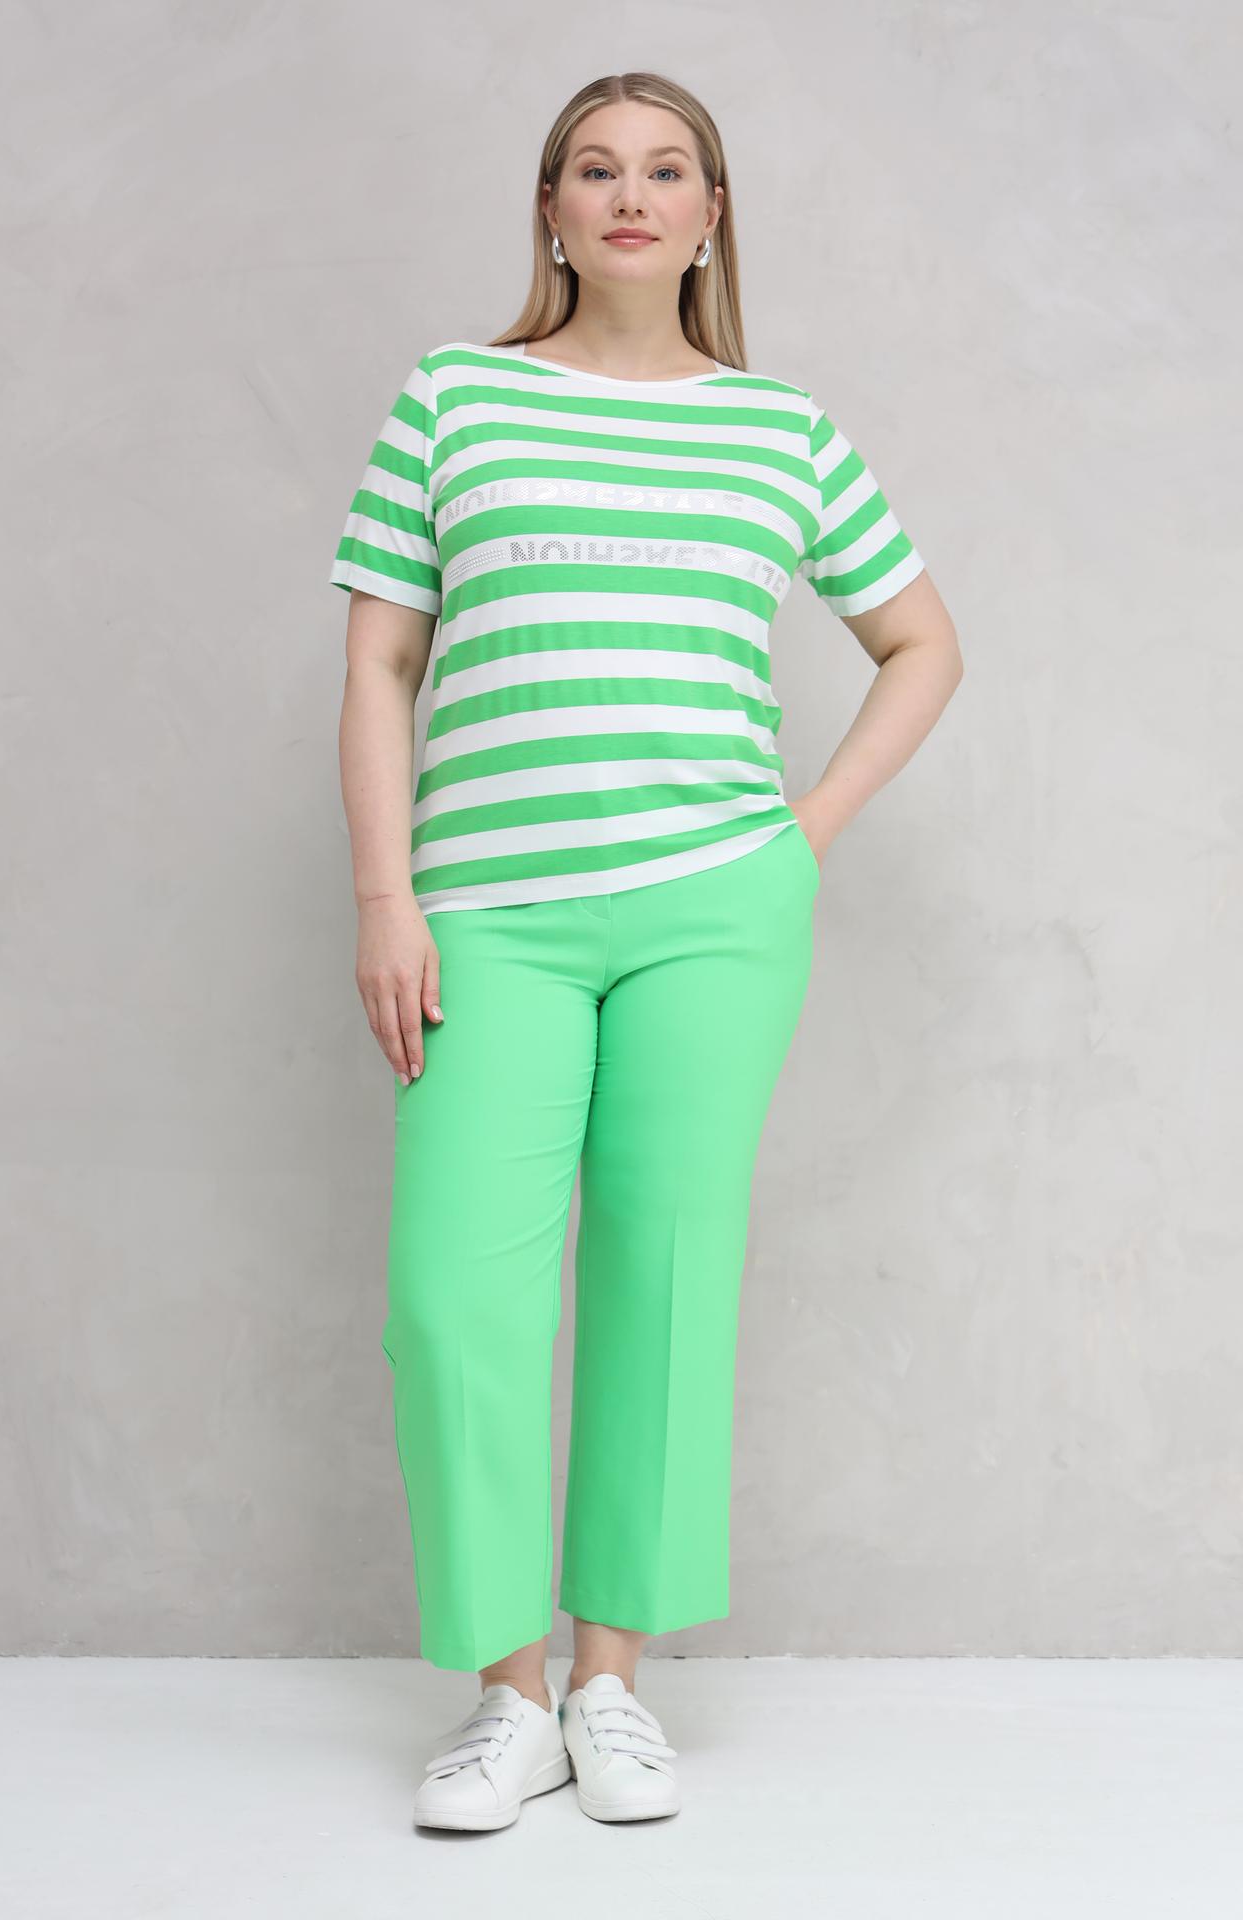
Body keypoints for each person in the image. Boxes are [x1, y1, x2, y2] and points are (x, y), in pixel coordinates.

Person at [329, 71, 963, 1832]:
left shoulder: (780, 429)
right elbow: (381, 662)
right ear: (551, 207)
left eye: (666, 170)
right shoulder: (456, 398)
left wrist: (799, 835)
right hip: (488, 914)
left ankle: (609, 1683)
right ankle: (505, 1697)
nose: (631, 194)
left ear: (708, 216)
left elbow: (922, 643)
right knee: (453, 1298)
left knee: (665, 1276)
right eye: (595, 168)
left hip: (715, 914)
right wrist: (387, 898)